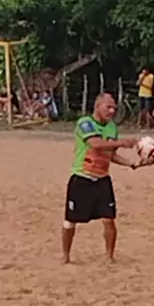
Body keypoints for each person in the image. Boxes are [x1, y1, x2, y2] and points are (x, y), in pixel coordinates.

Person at [61, 93, 142, 265]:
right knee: (70, 220)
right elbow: (96, 144)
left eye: (114, 108)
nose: (112, 111)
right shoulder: (85, 123)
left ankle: (109, 256)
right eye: (108, 107)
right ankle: (66, 255)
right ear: (97, 107)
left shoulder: (112, 127)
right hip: (82, 177)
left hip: (102, 178)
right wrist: (122, 143)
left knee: (109, 219)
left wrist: (130, 163)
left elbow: (110, 155)